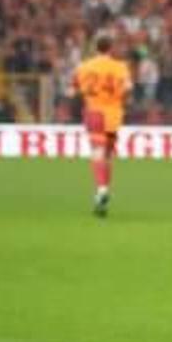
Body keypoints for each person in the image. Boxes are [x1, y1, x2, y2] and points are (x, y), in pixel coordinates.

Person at [70, 36, 133, 218]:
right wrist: (121, 98)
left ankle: (101, 189)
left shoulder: (84, 67)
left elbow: (73, 89)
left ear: (95, 48)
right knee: (107, 155)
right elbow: (128, 87)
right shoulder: (120, 67)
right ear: (111, 48)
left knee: (97, 152)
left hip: (94, 112)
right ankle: (103, 192)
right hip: (114, 115)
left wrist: (83, 94)